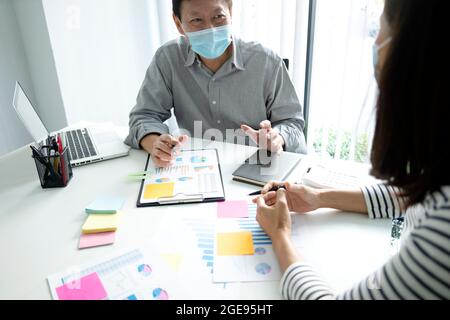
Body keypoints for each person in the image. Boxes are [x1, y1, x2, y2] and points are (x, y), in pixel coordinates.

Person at [255, 0, 450, 299]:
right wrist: (318, 198)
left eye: (380, 28)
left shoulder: (442, 234)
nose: (374, 43)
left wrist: (280, 235)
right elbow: (413, 193)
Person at [125, 0, 307, 168]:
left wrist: (277, 137)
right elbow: (144, 115)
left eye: (218, 17)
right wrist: (155, 142)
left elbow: (292, 122)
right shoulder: (168, 58)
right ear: (178, 23)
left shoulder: (267, 61)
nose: (210, 29)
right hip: (197, 166)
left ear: (231, 12)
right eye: (197, 20)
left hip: (257, 166)